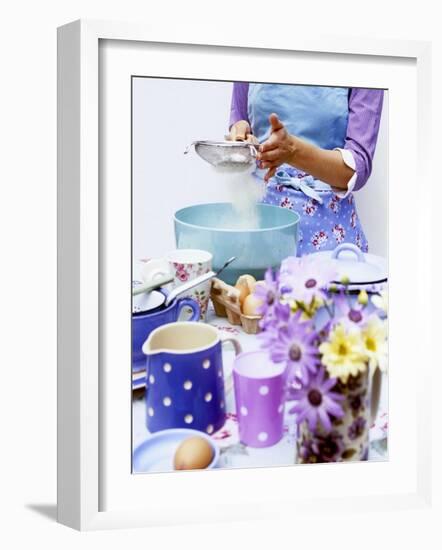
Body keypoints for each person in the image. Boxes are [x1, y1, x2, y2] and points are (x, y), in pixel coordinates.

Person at [229, 83, 384, 255]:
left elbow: (357, 170)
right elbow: (240, 120)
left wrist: (294, 152)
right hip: (258, 226)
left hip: (329, 233)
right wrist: (240, 137)